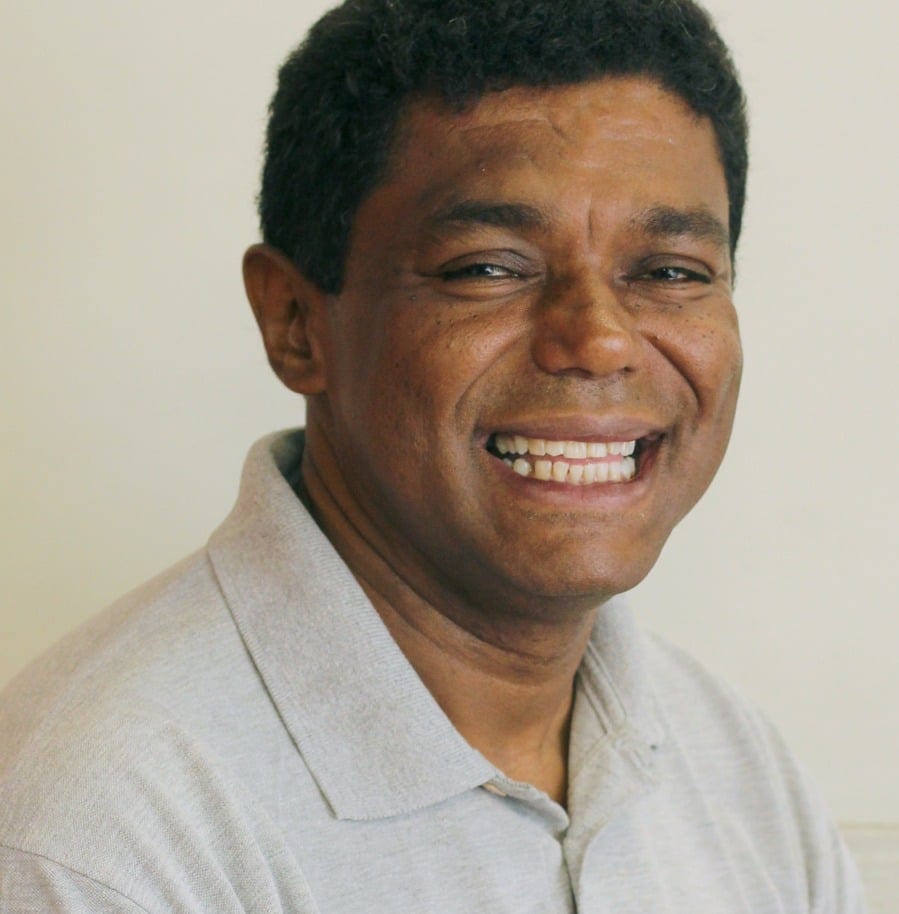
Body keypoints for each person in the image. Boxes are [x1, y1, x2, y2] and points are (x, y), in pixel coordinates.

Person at [0, 0, 866, 910]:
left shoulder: (736, 764)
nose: (599, 340)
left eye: (670, 272)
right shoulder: (96, 837)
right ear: (294, 323)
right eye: (488, 267)